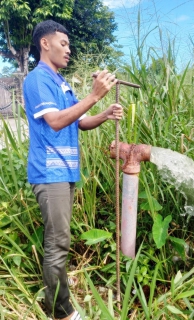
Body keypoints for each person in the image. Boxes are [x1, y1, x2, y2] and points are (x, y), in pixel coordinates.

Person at [23, 20, 123, 320]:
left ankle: (59, 305)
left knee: (60, 239)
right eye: (63, 44)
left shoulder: (60, 82)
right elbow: (55, 120)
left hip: (65, 173)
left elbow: (79, 121)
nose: (69, 49)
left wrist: (104, 113)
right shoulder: (37, 79)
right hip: (49, 173)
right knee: (58, 242)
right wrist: (94, 95)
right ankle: (61, 312)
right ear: (45, 44)